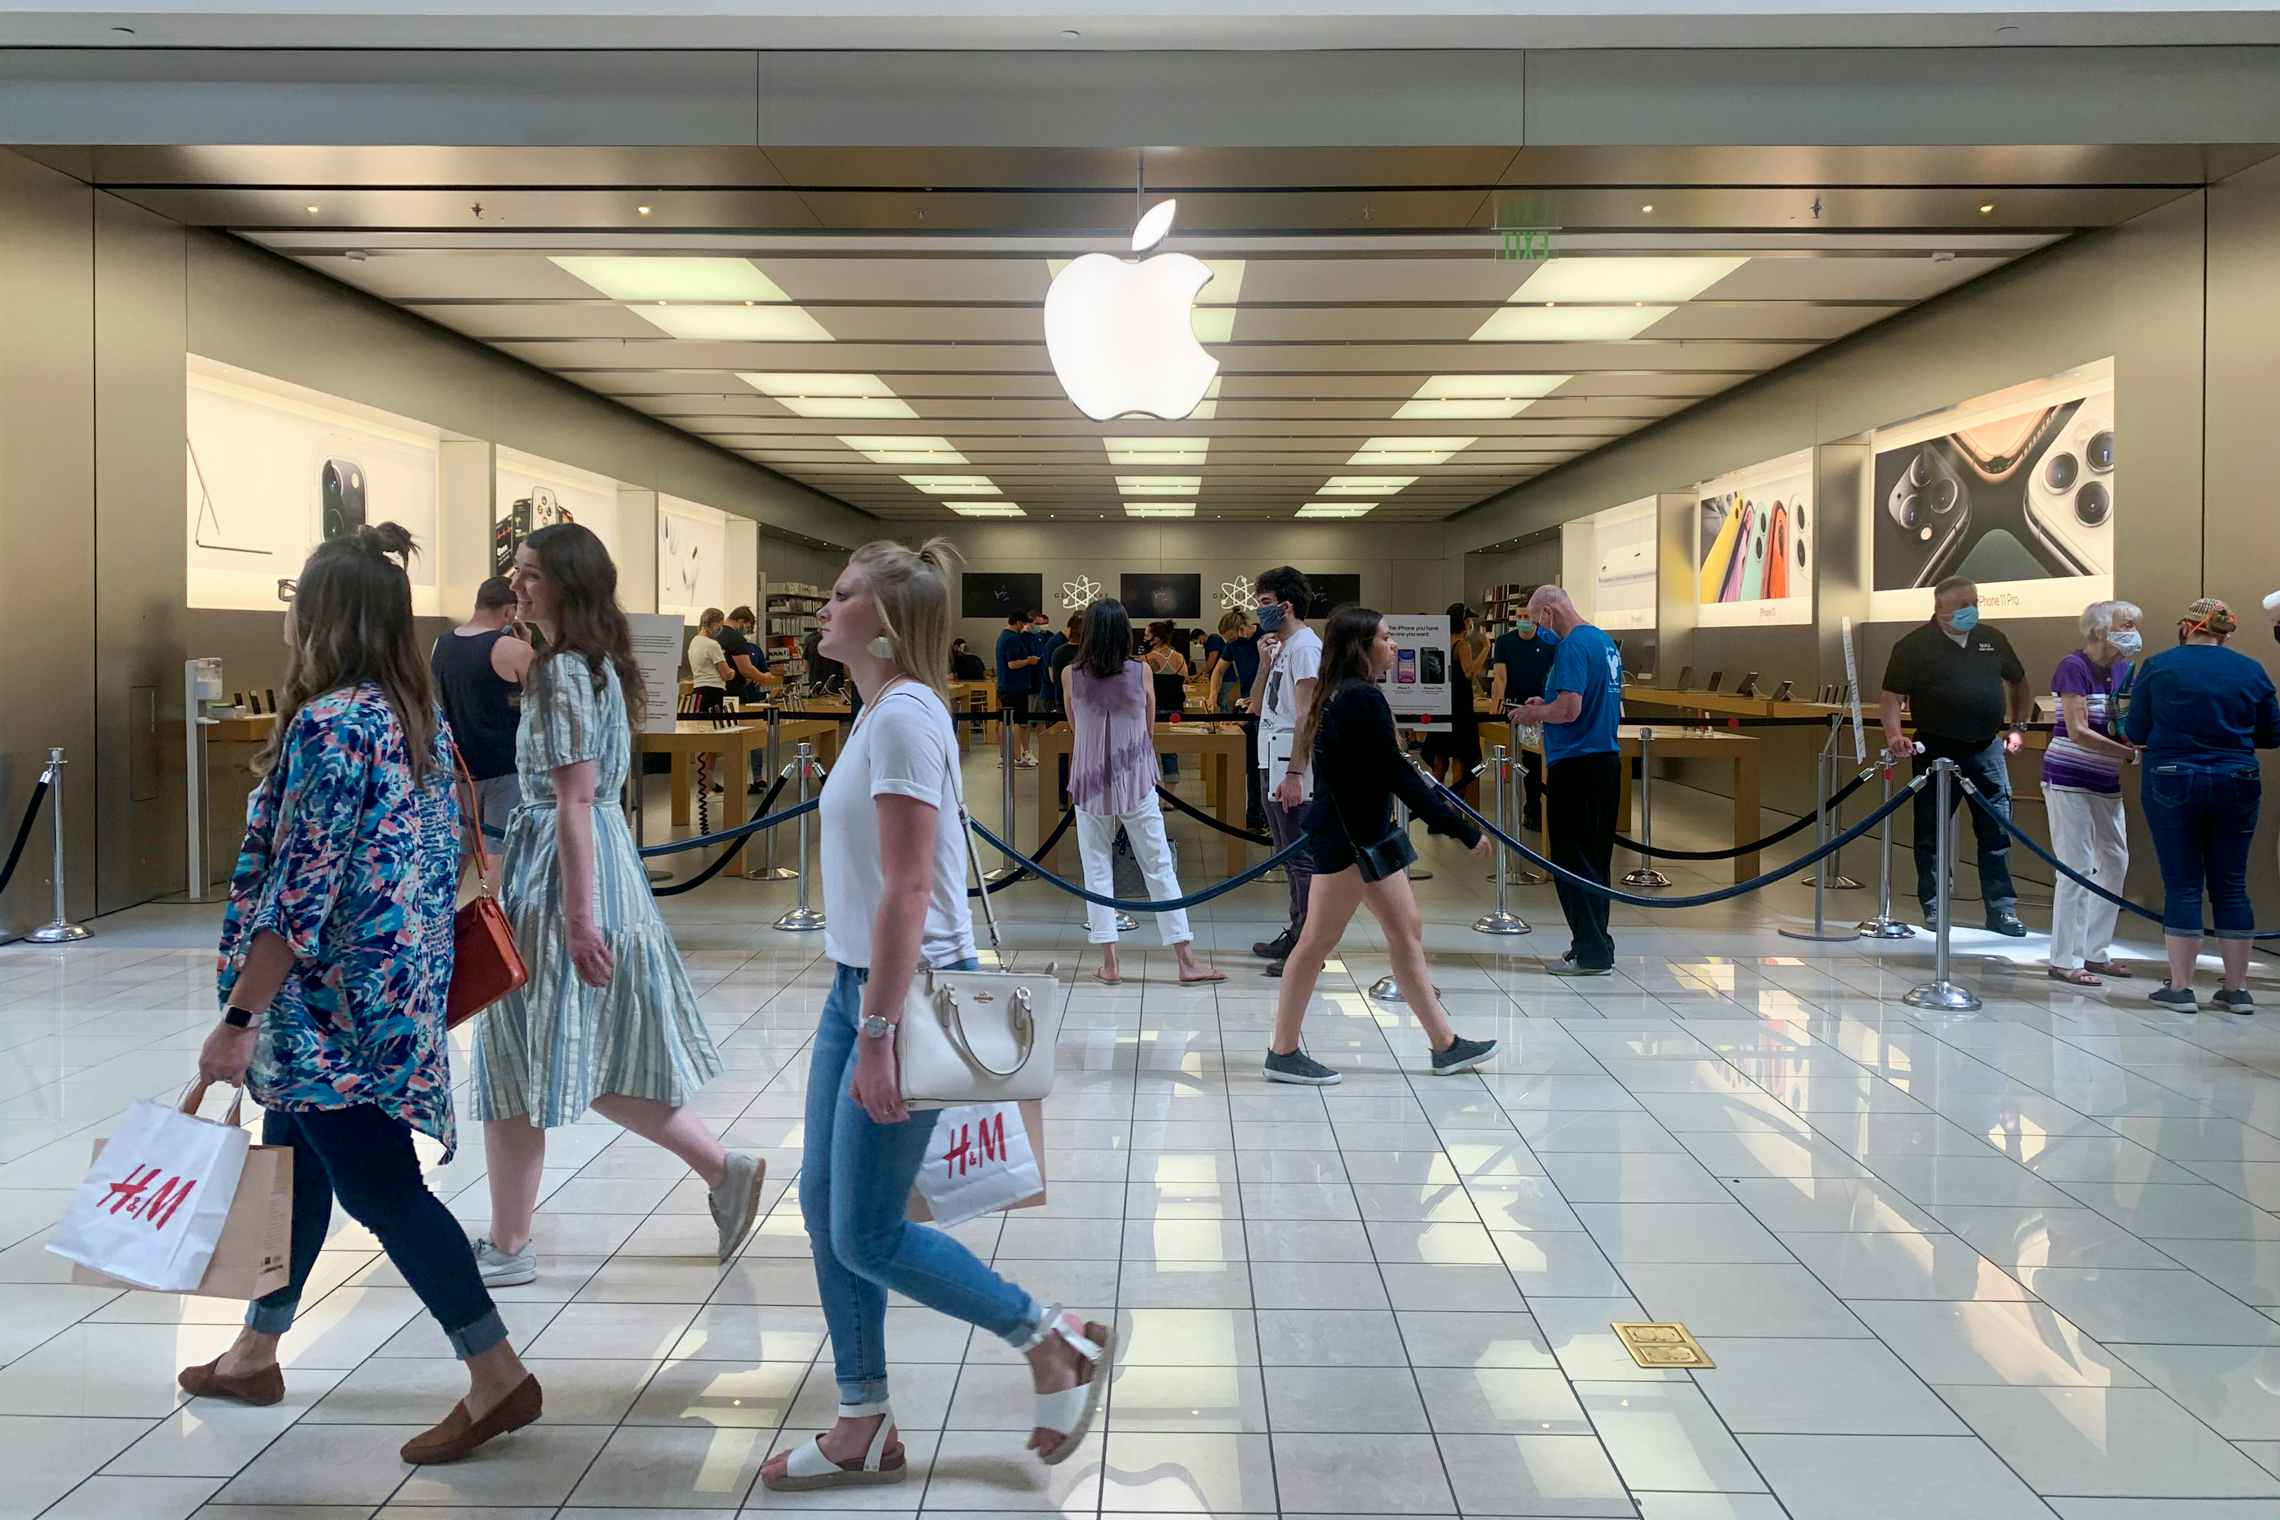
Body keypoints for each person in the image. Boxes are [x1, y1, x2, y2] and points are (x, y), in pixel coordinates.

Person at [759, 538, 1110, 1493]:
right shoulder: (879, 711)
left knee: (866, 1231)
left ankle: (1050, 1340)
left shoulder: (906, 717)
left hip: (899, 995)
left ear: (883, 619)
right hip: (860, 987)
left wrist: (878, 1035)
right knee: (827, 1206)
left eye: (840, 598)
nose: (823, 612)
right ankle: (862, 1417)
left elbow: (911, 890)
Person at [187, 523, 539, 1465]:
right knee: (292, 1164)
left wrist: (238, 1020)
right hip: (393, 996)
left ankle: (496, 1372)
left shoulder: (334, 723)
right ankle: (255, 1351)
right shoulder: (408, 714)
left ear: (320, 617)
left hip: (330, 1014)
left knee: (384, 1190)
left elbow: (298, 893)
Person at [469, 524, 765, 1288]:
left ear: (567, 582)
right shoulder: (597, 667)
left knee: (521, 1057)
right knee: (583, 1051)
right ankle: (719, 1169)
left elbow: (570, 799)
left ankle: (510, 1243)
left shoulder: (562, 672)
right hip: (596, 866)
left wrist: (576, 917)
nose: (517, 585)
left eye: (531, 574)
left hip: (563, 873)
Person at [1263, 606, 1498, 1085]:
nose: (1393, 645)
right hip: (1351, 842)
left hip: (1364, 836)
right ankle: (1282, 1051)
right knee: (1315, 944)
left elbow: (1388, 774)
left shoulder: (1346, 696)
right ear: (1362, 647)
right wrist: (1462, 828)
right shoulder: (1359, 700)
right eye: (1386, 638)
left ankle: (1445, 1044)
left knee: (1405, 931)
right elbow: (1399, 776)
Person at [2121, 597, 2280, 1013]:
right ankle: (2238, 988)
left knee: (2183, 882)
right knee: (2231, 884)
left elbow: (2135, 730)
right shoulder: (2251, 670)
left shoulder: (2159, 666)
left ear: (2188, 626)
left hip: (2172, 778)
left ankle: (2180, 987)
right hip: (2238, 779)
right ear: (2225, 633)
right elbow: (2271, 734)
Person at [1063, 599, 1227, 987]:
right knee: (1157, 864)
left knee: (1096, 866)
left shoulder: (1072, 674)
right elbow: (1150, 728)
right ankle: (1185, 960)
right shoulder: (1141, 671)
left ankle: (1110, 961)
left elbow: (1075, 727)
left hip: (1089, 781)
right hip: (1135, 776)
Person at [1877, 576, 2033, 937]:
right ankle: (1933, 905)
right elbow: (1890, 697)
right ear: (1940, 608)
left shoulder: (1992, 639)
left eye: (1974, 602)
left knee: (1996, 831)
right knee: (1930, 832)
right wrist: (1894, 735)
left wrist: (2018, 726)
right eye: (1962, 604)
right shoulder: (1913, 646)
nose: (1970, 610)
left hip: (1986, 748)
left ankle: (2001, 910)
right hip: (1936, 748)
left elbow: (2020, 682)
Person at [1516, 586, 1626, 976]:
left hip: (1576, 764)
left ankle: (1590, 950)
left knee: (1571, 860)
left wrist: (1536, 715)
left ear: (1548, 612)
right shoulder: (1603, 642)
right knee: (1595, 860)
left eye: (1535, 618)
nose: (1536, 627)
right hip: (1605, 762)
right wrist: (1543, 706)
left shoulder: (1572, 647)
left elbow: (1569, 710)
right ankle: (1596, 944)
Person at [2043, 599, 2144, 986]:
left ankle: (2095, 951)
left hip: (2105, 781)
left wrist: (2133, 742)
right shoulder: (2073, 667)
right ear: (2100, 630)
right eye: (2125, 624)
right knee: (2076, 866)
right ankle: (2064, 958)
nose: (2132, 630)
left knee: (2115, 860)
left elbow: (2121, 721)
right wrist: (2128, 755)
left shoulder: (2122, 668)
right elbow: (2078, 730)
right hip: (2068, 778)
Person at [430, 576, 534, 887]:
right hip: (505, 765)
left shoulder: (441, 644)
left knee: (457, 852)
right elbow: (541, 708)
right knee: (498, 853)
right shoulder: (514, 649)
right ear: (509, 612)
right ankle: (492, 926)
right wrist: (526, 645)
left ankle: (442, 923)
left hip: (459, 765)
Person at [1248, 566, 1323, 973]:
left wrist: (1295, 773)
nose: (1260, 612)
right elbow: (1258, 705)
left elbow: (1307, 714)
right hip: (1270, 757)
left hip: (1290, 765)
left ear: (1285, 605)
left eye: (1264, 603)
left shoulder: (1306, 648)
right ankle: (1296, 932)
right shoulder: (1281, 648)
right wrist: (1263, 662)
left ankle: (1307, 946)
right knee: (1287, 854)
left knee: (1301, 857)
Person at [1489, 605, 1561, 832]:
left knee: (1545, 761)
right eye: (1519, 617)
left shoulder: (1550, 643)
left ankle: (1546, 808)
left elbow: (1556, 673)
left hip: (1546, 708)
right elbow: (1500, 677)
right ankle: (1532, 809)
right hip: (1517, 708)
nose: (1522, 620)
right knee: (1528, 763)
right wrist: (1496, 705)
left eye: (1527, 617)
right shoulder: (1504, 642)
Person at [1422, 601, 1488, 812]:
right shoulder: (1462, 645)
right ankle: (1455, 810)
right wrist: (1486, 649)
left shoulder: (1441, 642)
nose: (1471, 624)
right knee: (1460, 759)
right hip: (1460, 710)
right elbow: (1469, 673)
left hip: (1442, 707)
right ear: (1463, 621)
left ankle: (1434, 808)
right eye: (1469, 620)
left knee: (1440, 761)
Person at [995, 609, 1042, 768]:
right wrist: (1029, 661)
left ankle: (1003, 756)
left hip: (1004, 685)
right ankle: (1016, 758)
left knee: (1003, 721)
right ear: (1019, 622)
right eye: (1024, 624)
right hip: (1015, 686)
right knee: (1016, 722)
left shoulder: (1002, 636)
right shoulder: (1013, 639)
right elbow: (1012, 663)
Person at [718, 605, 778, 704]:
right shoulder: (735, 637)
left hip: (718, 689)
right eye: (747, 627)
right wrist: (763, 678)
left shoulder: (716, 634)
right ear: (741, 621)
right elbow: (746, 669)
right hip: (734, 692)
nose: (746, 632)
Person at [686, 607, 730, 715]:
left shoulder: (694, 642)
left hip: (698, 692)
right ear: (715, 624)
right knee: (714, 728)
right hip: (713, 692)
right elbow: (726, 674)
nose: (721, 629)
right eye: (720, 624)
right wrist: (732, 672)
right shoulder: (712, 644)